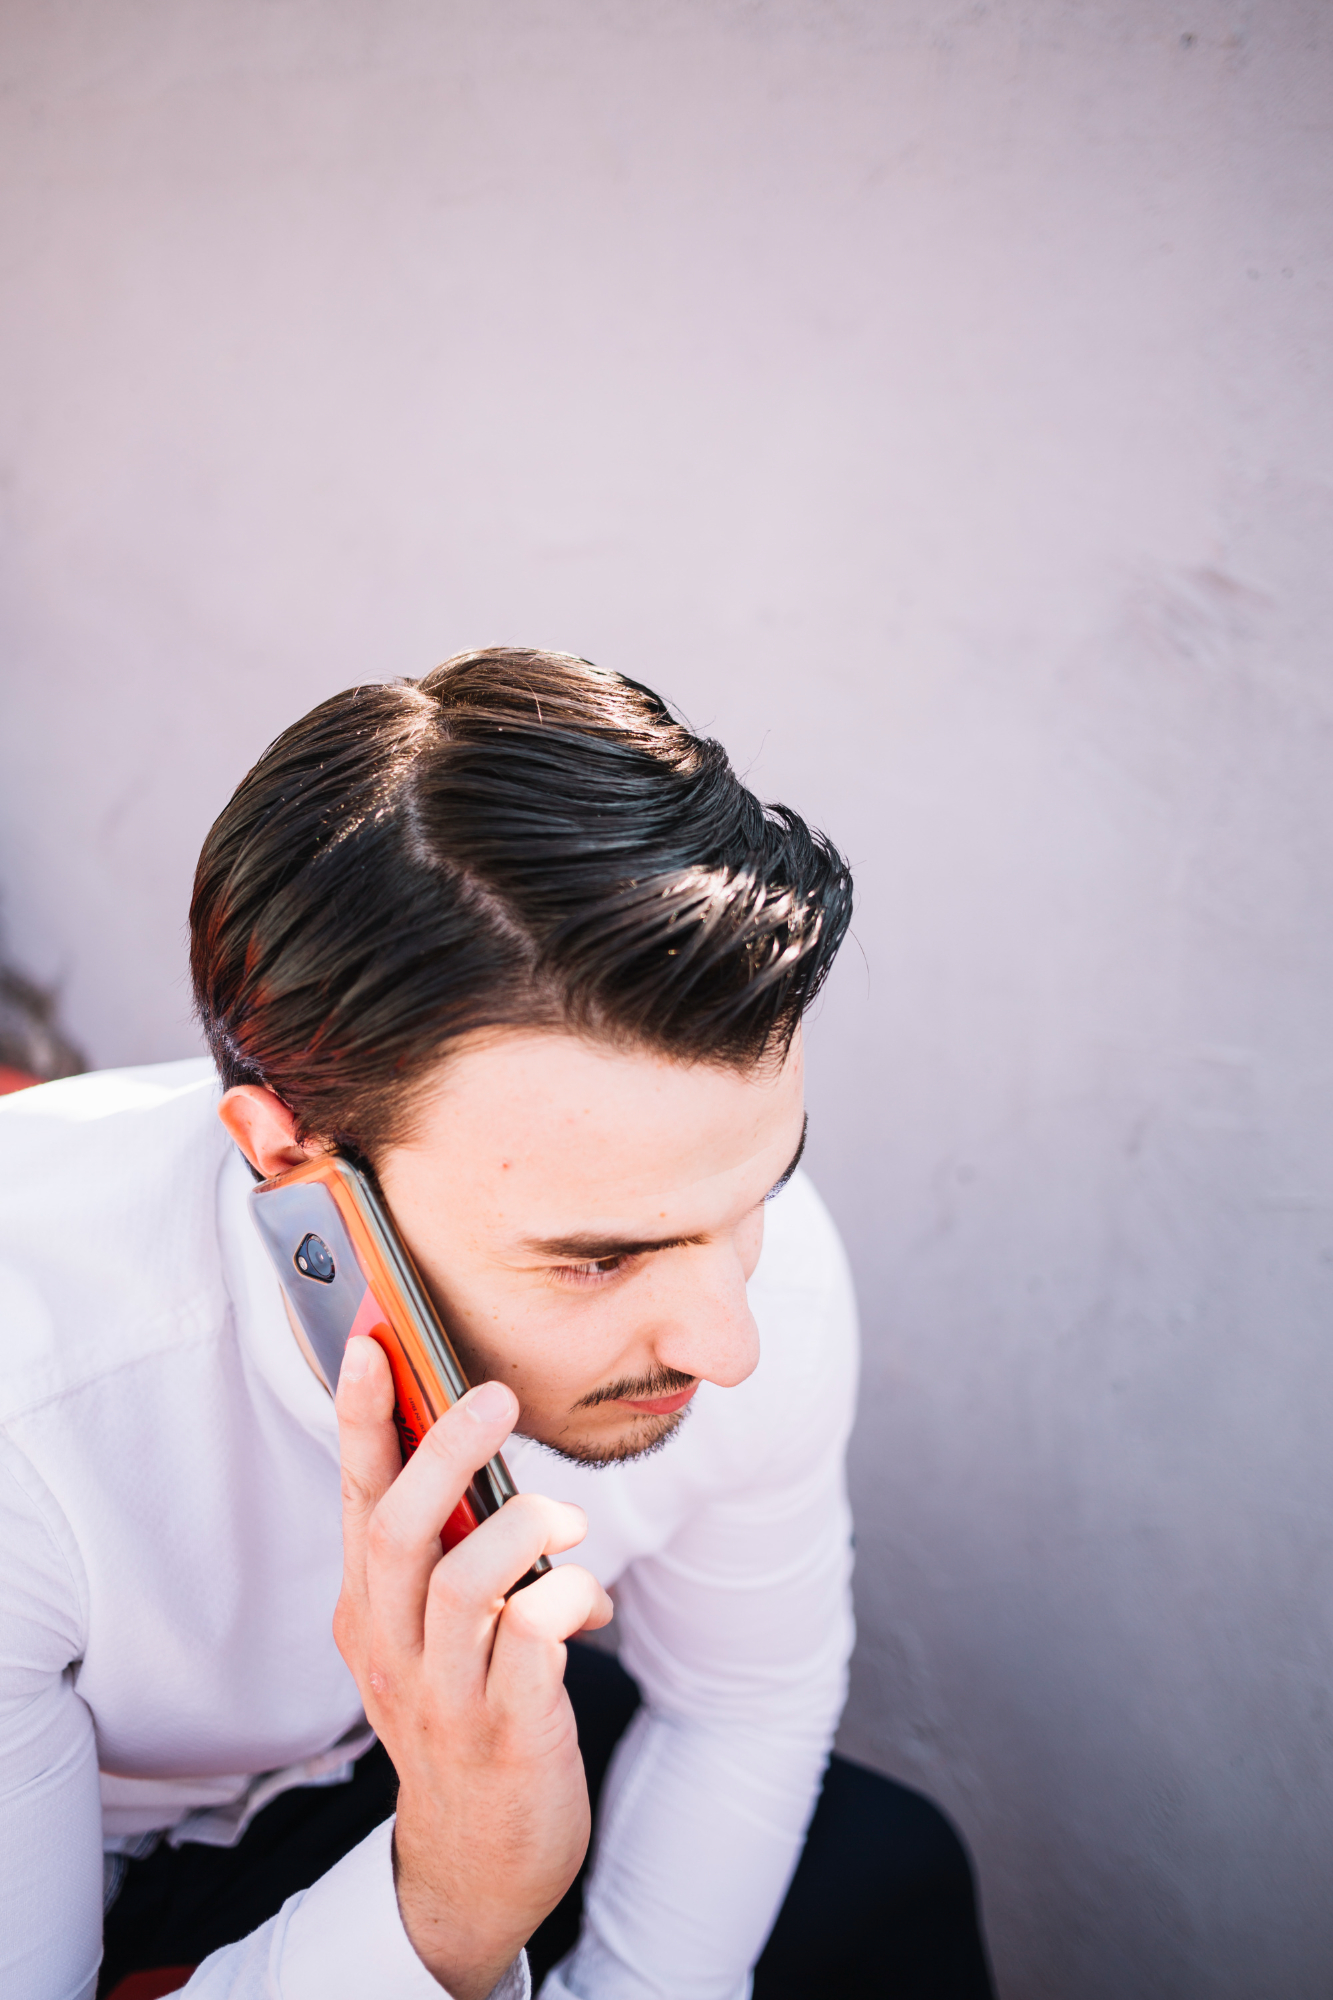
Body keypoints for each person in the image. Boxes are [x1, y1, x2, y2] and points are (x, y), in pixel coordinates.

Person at [0, 649, 994, 2000]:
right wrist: (450, 1906)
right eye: (599, 1259)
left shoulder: (757, 1264)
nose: (729, 1344)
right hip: (86, 1838)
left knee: (887, 1875)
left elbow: (743, 1703)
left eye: (751, 1196)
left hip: (406, 1749)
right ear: (286, 1159)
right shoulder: (34, 1394)